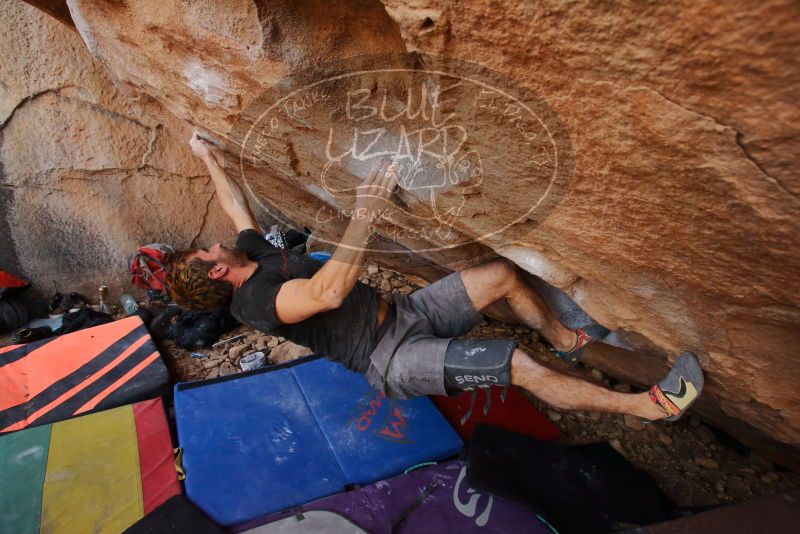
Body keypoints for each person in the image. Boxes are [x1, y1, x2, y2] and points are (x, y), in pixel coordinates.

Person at [167, 132, 703, 422]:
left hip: (409, 313)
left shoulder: (250, 256)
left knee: (499, 275)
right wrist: (367, 211)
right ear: (218, 270)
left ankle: (565, 339)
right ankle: (650, 408)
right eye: (207, 249)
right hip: (390, 357)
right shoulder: (257, 302)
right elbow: (329, 292)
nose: (218, 240)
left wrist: (207, 156)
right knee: (516, 365)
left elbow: (237, 211)